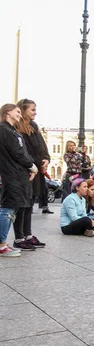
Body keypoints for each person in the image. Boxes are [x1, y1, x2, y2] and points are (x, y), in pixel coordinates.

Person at [0, 104, 38, 257]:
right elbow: (17, 152)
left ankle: (3, 243)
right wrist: (31, 166)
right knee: (8, 208)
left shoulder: (12, 130)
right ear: (8, 112)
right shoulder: (4, 129)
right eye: (17, 112)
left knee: (13, 209)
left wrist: (30, 166)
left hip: (18, 174)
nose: (20, 115)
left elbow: (23, 151)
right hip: (12, 175)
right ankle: (1, 244)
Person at [13, 99, 48, 250]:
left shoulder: (34, 126)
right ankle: (19, 238)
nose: (35, 112)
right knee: (22, 204)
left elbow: (42, 145)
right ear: (23, 110)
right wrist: (32, 164)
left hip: (37, 170)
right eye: (32, 109)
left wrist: (46, 159)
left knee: (29, 203)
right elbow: (22, 151)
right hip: (26, 170)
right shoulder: (17, 127)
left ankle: (27, 235)